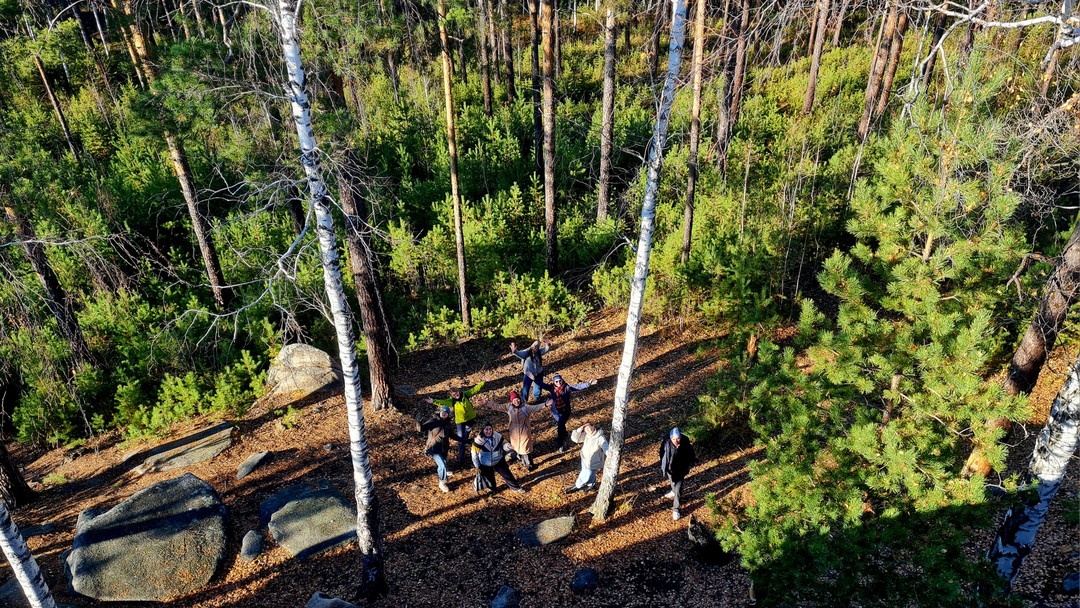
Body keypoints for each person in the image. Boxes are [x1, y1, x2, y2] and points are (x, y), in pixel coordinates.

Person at [425, 377, 487, 467]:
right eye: (454, 394)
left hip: (471, 419)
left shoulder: (465, 395)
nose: (456, 395)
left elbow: (474, 389)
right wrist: (433, 401)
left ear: (459, 391)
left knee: (465, 435)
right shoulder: (451, 401)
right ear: (452, 396)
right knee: (461, 439)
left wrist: (483, 381)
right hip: (460, 422)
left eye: (457, 393)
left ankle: (466, 442)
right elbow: (442, 402)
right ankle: (461, 459)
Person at [530, 372, 597, 452]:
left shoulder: (567, 388)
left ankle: (564, 433)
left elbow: (577, 387)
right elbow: (542, 385)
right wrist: (534, 379)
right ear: (554, 382)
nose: (558, 383)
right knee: (560, 425)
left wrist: (588, 384)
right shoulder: (551, 388)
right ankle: (560, 444)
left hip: (566, 410)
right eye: (556, 381)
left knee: (562, 424)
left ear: (562, 380)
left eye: (560, 381)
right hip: (556, 412)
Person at [480, 390, 546, 471]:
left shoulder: (525, 407)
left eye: (517, 399)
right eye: (514, 400)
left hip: (524, 433)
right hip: (514, 433)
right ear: (511, 401)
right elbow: (497, 406)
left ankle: (530, 466)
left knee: (525, 450)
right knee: (517, 448)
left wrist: (545, 404)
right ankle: (523, 460)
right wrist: (487, 403)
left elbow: (536, 407)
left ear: (520, 399)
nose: (516, 401)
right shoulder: (509, 407)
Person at [471, 421, 526, 494]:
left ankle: (515, 488)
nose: (489, 431)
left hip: (498, 459)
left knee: (507, 475)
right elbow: (474, 455)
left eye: (490, 429)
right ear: (483, 430)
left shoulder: (497, 436)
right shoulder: (478, 441)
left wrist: (508, 446)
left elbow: (504, 445)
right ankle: (493, 490)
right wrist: (478, 466)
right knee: (490, 479)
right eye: (486, 429)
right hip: (485, 463)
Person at [416, 405, 462, 493]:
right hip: (434, 448)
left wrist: (466, 440)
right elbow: (421, 429)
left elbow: (453, 436)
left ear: (448, 415)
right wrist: (419, 422)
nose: (444, 413)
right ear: (439, 412)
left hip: (444, 448)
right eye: (442, 412)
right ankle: (442, 482)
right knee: (442, 465)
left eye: (446, 412)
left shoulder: (448, 424)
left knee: (443, 463)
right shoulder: (433, 421)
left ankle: (444, 472)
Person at [659, 427, 696, 520]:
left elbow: (690, 454)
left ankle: (676, 509)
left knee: (678, 489)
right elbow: (661, 452)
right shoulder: (666, 442)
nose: (676, 441)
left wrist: (688, 465)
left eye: (678, 438)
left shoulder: (685, 443)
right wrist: (664, 464)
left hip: (680, 469)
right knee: (672, 482)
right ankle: (673, 491)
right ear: (671, 438)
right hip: (670, 469)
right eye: (674, 439)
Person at [565, 423, 609, 493]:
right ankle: (591, 485)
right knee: (590, 473)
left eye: (589, 427)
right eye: (586, 429)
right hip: (585, 459)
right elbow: (575, 439)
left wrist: (610, 455)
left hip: (594, 461)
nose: (589, 430)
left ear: (593, 426)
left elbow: (606, 447)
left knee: (587, 474)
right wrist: (579, 429)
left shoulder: (600, 437)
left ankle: (577, 485)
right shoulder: (586, 436)